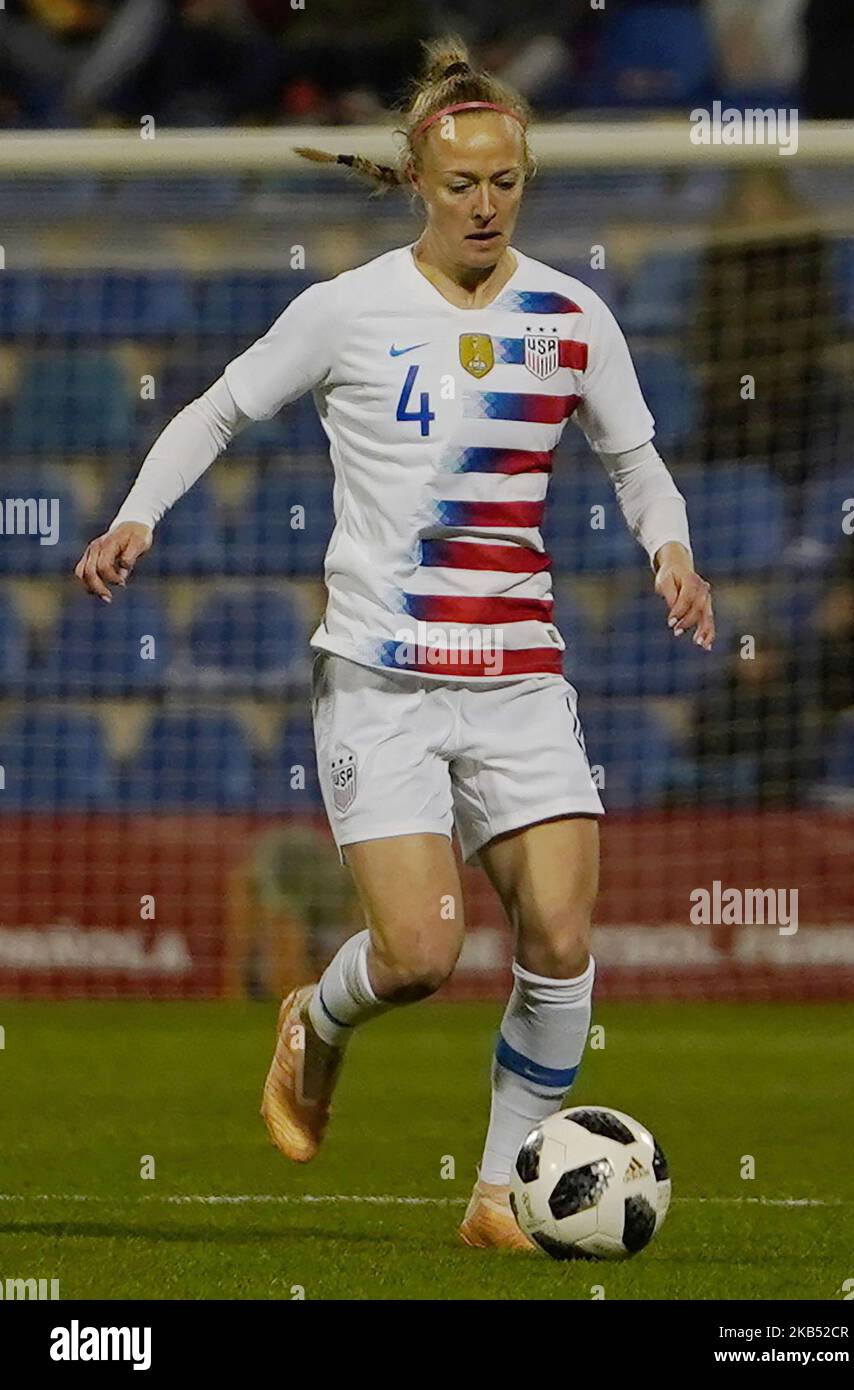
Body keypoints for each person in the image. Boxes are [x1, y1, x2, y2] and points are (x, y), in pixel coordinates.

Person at [74, 36, 714, 1252]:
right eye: (462, 182)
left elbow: (635, 462)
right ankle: (316, 1017)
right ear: (420, 178)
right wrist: (136, 515)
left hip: (520, 673)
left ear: (525, 181)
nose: (484, 204)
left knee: (562, 937)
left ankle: (490, 1200)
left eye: (505, 183)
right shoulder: (346, 309)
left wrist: (668, 551)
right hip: (382, 679)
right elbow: (217, 407)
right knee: (422, 953)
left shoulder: (571, 317)